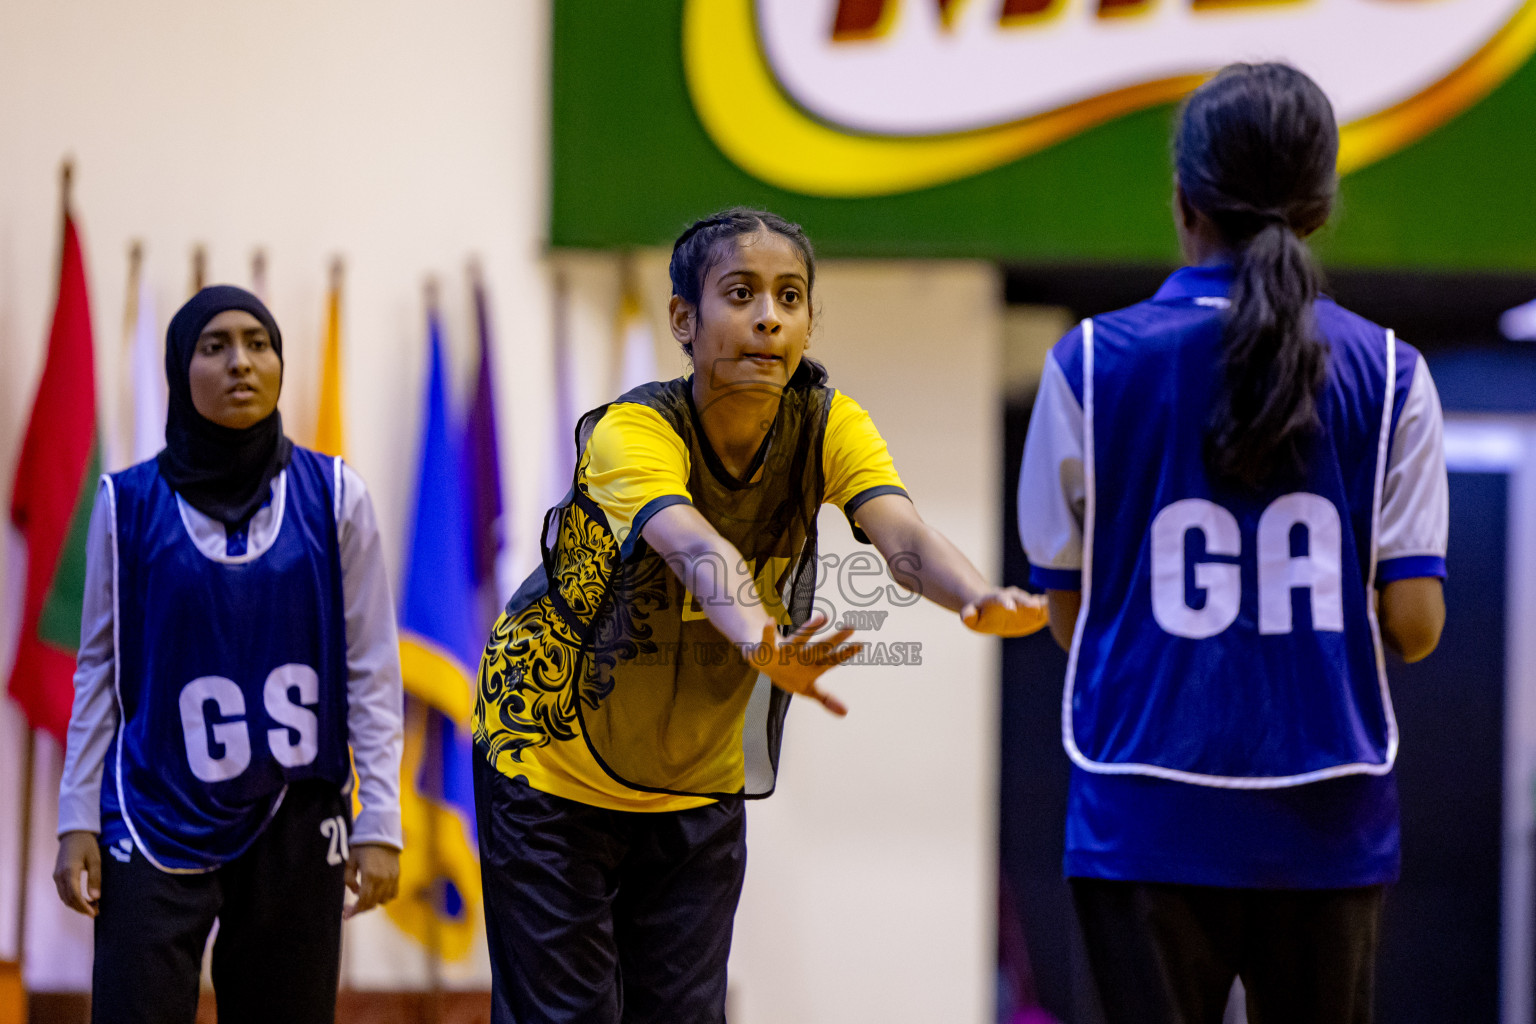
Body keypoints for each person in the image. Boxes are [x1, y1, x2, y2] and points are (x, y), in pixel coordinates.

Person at [474, 207, 1048, 1023]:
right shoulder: (632, 433)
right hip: (548, 756)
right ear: (684, 317)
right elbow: (700, 550)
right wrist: (758, 639)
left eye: (790, 296)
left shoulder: (828, 421)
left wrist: (977, 597)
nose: (769, 317)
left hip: (693, 776)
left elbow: (901, 533)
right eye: (740, 293)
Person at [1017, 63, 1448, 1024]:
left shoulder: (1088, 362)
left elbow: (1068, 617)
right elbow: (1415, 626)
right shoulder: (1390, 372)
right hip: (1327, 817)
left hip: (1142, 814)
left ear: (1182, 202)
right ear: (1321, 208)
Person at [52, 286, 405, 1024]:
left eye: (259, 342)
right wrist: (76, 817)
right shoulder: (127, 504)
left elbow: (372, 670)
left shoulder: (337, 495)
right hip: (153, 808)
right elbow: (98, 673)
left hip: (295, 809)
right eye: (215, 346)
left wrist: (380, 820)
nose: (241, 362)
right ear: (181, 368)